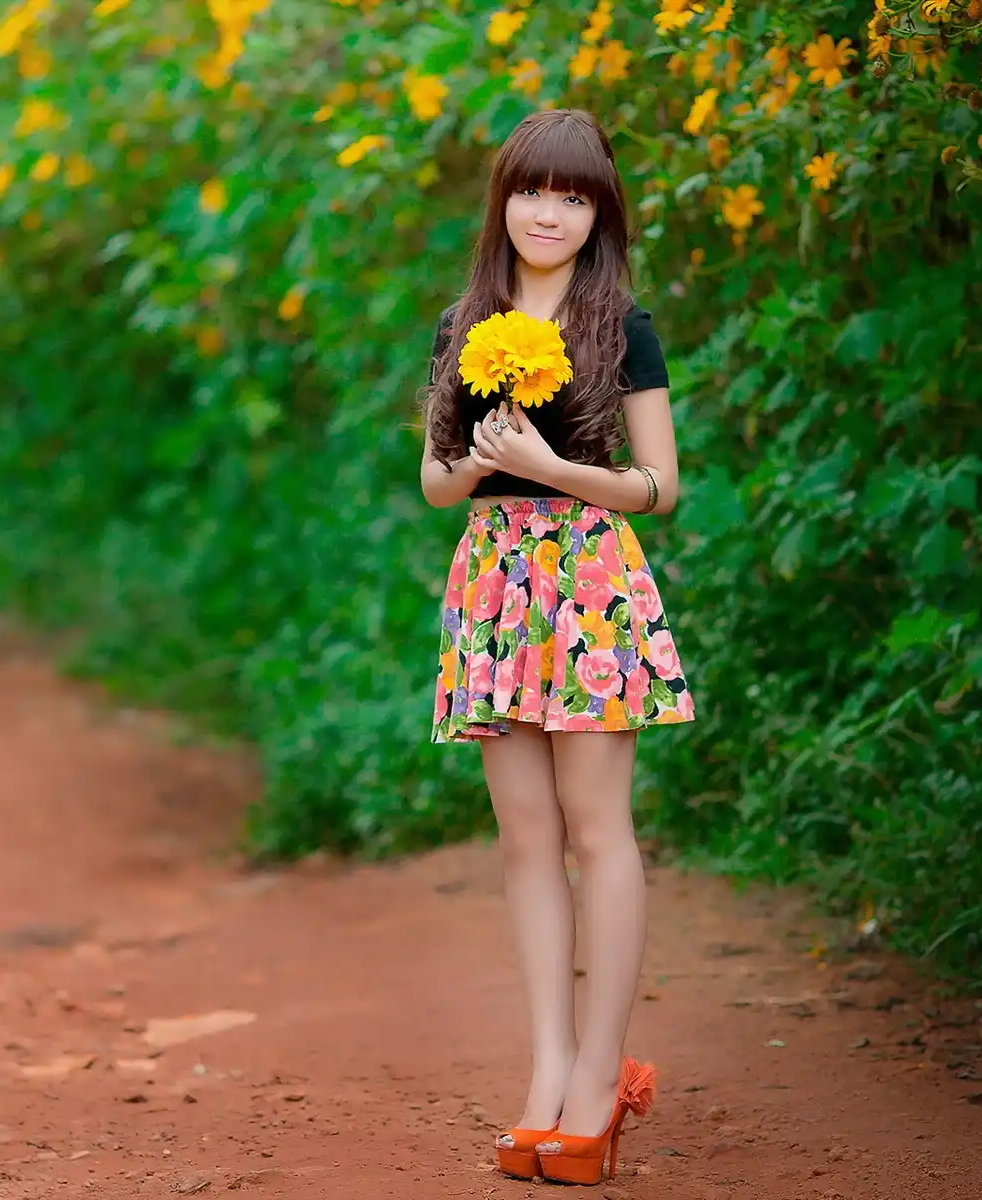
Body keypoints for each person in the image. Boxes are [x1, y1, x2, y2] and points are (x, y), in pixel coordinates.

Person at [418, 107, 696, 1186]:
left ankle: (596, 1082)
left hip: (588, 581)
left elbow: (661, 488)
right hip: (492, 580)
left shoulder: (623, 327)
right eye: (533, 191)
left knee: (596, 830)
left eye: (573, 196)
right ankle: (544, 1072)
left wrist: (553, 461)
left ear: (599, 213)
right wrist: (487, 460)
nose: (549, 212)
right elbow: (437, 485)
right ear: (504, 202)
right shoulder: (463, 322)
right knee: (526, 838)